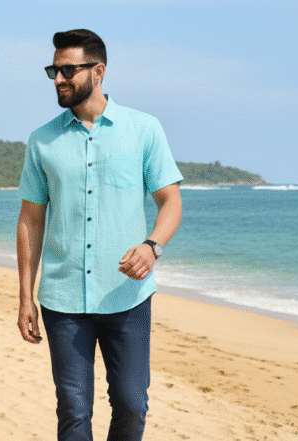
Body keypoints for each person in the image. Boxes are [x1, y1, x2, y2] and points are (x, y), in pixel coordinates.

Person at [16, 29, 183, 441]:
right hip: (63, 299)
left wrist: (152, 247)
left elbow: (171, 202)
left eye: (67, 70)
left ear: (99, 71)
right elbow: (30, 221)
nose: (58, 79)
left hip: (126, 296)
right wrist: (24, 298)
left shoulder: (143, 129)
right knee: (73, 411)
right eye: (54, 71)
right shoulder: (42, 141)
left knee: (131, 405)